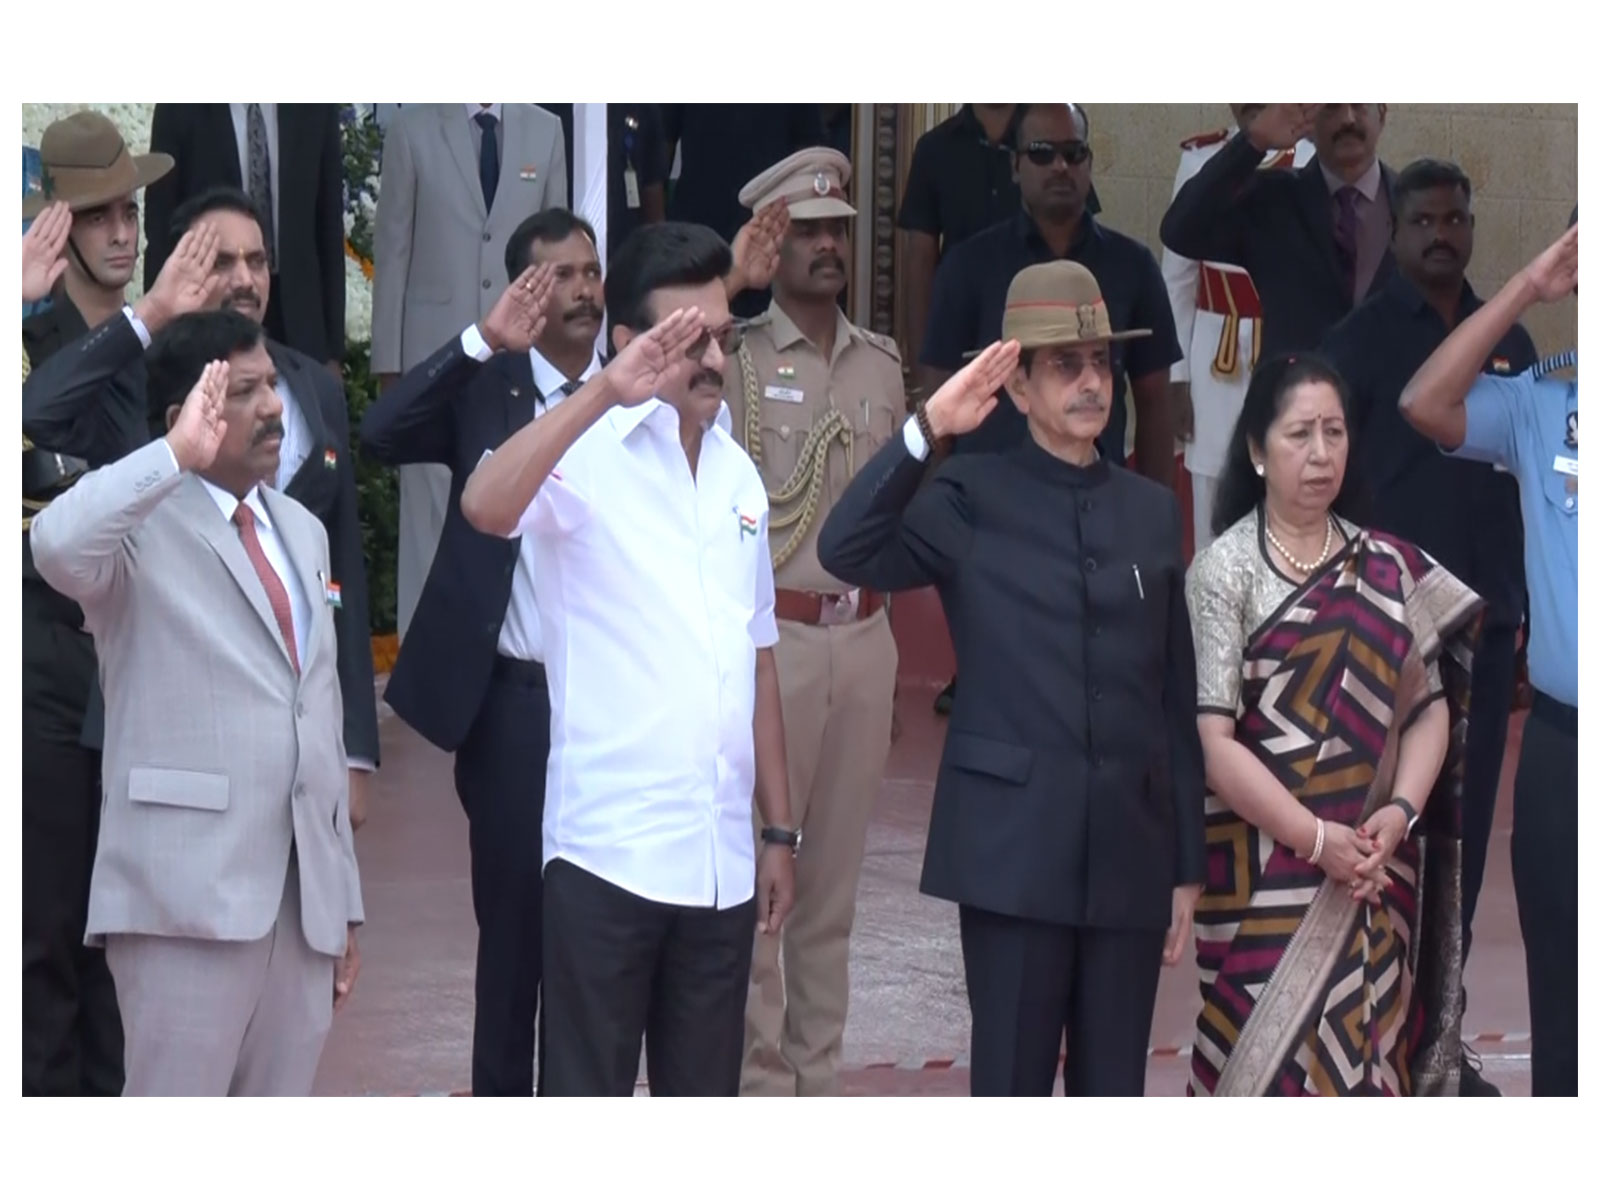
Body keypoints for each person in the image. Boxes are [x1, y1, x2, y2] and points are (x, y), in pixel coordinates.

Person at [816, 260, 1206, 1096]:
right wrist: (929, 426)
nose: (1091, 382)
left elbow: (1175, 692)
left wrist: (1184, 864)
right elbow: (843, 552)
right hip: (1013, 854)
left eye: (1099, 363)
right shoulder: (968, 493)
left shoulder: (1150, 508)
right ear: (1017, 386)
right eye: (1065, 365)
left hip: (1130, 856)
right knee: (1012, 1091)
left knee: (1112, 1097)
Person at [459, 221, 798, 1096]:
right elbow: (485, 505)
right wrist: (603, 395)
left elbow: (756, 655)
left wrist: (778, 832)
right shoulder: (585, 455)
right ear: (629, 342)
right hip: (608, 861)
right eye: (687, 339)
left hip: (719, 864)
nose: (713, 359)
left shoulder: (738, 478)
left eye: (722, 334)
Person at [29, 309, 365, 1095]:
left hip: (299, 903)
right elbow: (52, 547)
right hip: (184, 900)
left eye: (271, 387)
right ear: (187, 415)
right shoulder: (135, 531)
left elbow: (313, 715)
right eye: (243, 392)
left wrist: (342, 897)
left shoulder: (303, 531)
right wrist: (173, 458)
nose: (274, 408)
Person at [30, 185, 382, 824]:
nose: (244, 279)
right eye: (220, 262)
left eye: (256, 259)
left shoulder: (311, 388)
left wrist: (355, 749)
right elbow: (36, 412)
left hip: (295, 751)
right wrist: (154, 312)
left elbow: (340, 579)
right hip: (165, 749)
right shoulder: (134, 379)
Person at [1183, 352, 1481, 1095]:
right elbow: (1214, 746)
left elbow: (1429, 712)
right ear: (1256, 449)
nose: (1321, 454)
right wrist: (1318, 842)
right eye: (1298, 435)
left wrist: (1400, 814)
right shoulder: (1222, 573)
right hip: (1259, 880)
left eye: (1334, 433)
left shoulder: (1387, 568)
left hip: (1372, 882)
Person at [1320, 159, 1537, 1095]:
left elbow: (1530, 492)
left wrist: (1520, 616)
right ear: (1396, 232)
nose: (1443, 235)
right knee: (1383, 843)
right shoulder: (1358, 347)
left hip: (1482, 643)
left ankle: (1440, 1049)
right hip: (1386, 642)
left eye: (1458, 219)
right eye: (1425, 221)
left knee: (1463, 845)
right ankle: (1369, 1045)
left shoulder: (1513, 342)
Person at [358, 210, 572, 1097]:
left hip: (613, 703)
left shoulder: (635, 390)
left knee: (594, 944)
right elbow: (380, 432)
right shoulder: (491, 387)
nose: (583, 287)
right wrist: (481, 341)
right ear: (521, 289)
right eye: (558, 273)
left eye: (592, 270)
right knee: (515, 941)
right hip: (515, 711)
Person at [726, 148, 904, 1097]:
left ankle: (814, 1084)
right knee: (766, 889)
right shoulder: (734, 360)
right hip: (775, 644)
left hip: (864, 642)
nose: (829, 245)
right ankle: (758, 1091)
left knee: (831, 896)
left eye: (840, 229)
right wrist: (730, 284)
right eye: (810, 231)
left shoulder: (881, 367)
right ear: (773, 240)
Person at [1399, 218, 1578, 1098]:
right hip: (1565, 747)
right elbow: (1425, 402)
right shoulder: (1548, 402)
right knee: (1566, 1004)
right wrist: (1525, 288)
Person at [19, 110, 175, 1097]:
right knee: (48, 942)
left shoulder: (163, 349)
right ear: (57, 226)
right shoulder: (31, 339)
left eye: (131, 209)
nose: (124, 231)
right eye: (100, 213)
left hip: (145, 667)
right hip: (48, 672)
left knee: (125, 941)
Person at [371, 102, 567, 640]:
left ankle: (497, 650)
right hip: (434, 358)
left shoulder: (545, 130)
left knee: (510, 502)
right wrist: (392, 367)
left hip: (516, 358)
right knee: (428, 513)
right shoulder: (412, 128)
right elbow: (392, 249)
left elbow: (557, 248)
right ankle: (419, 655)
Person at [1160, 106, 1312, 551]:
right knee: (1212, 491)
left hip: (1286, 348)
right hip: (1215, 358)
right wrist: (1177, 376)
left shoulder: (1308, 157)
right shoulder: (1199, 158)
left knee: (1289, 480)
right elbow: (1178, 277)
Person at [1159, 104, 1395, 361]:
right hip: (1294, 392)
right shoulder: (1273, 201)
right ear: (1308, 121)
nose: (1348, 119)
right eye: (1332, 107)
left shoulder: (1416, 207)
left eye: (1359, 104)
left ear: (1381, 114)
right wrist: (1253, 143)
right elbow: (1181, 232)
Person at [144, 104, 347, 370]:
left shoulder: (315, 108)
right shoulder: (181, 108)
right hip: (213, 313)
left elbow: (328, 227)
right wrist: (159, 337)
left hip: (300, 322)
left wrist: (333, 351)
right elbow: (161, 229)